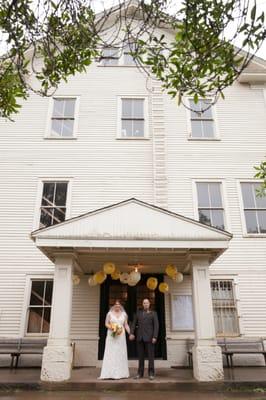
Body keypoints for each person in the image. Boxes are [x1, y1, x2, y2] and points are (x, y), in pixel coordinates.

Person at [99, 299, 130, 380]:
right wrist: (113, 328)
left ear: (120, 306)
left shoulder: (124, 314)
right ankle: (109, 373)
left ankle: (121, 373)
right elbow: (106, 323)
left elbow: (126, 325)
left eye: (118, 305)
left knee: (120, 352)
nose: (117, 306)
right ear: (114, 306)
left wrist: (130, 333)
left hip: (121, 336)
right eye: (116, 304)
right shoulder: (109, 314)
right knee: (111, 352)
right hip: (111, 335)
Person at [129, 298, 159, 380]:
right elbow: (134, 324)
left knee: (151, 357)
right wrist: (131, 333)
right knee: (140, 357)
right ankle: (140, 373)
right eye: (144, 303)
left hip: (150, 338)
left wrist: (155, 336)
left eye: (147, 303)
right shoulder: (138, 313)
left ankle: (151, 373)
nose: (145, 304)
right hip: (140, 337)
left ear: (149, 304)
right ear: (142, 304)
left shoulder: (153, 314)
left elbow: (156, 326)